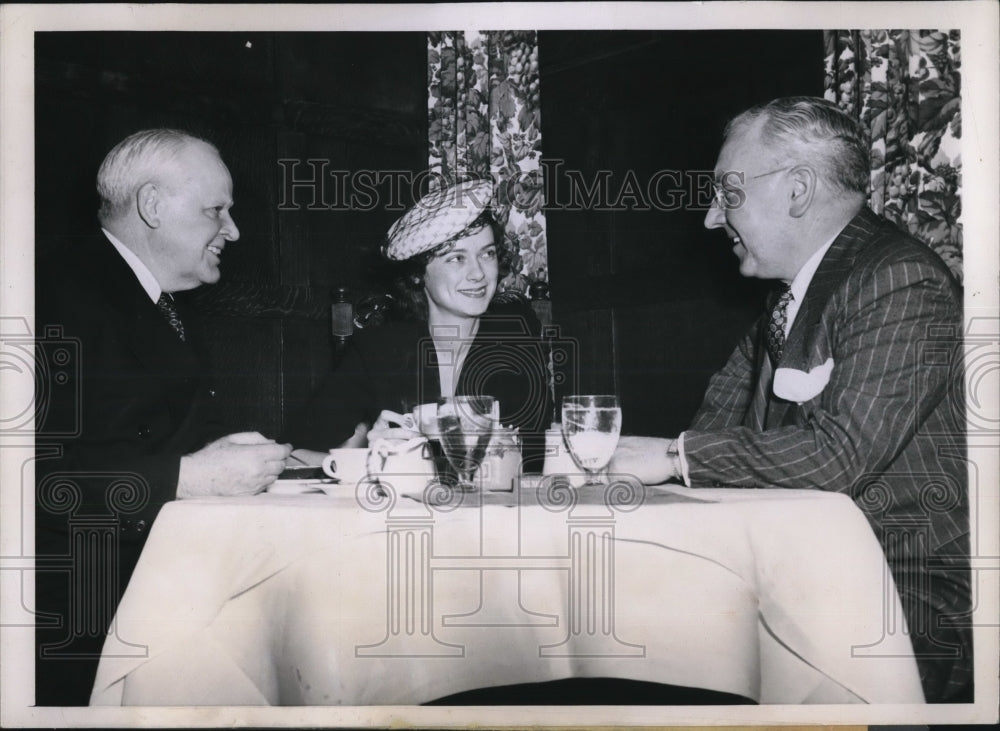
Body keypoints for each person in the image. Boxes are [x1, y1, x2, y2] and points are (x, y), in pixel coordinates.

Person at [609, 97, 971, 703]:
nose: (711, 218)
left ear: (797, 191)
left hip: (911, 591)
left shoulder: (899, 281)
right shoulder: (786, 302)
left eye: (727, 192)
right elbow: (716, 430)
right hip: (816, 568)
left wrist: (671, 457)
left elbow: (838, 456)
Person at [34, 129, 293, 705]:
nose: (233, 230)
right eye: (216, 210)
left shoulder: (158, 299)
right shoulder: (45, 296)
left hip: (146, 598)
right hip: (69, 629)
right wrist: (189, 478)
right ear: (152, 205)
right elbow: (26, 482)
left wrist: (291, 459)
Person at [286, 179, 552, 469]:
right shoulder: (377, 351)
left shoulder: (516, 339)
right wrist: (367, 456)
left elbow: (535, 458)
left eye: (487, 253)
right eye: (456, 258)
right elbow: (294, 454)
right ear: (417, 274)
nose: (478, 273)